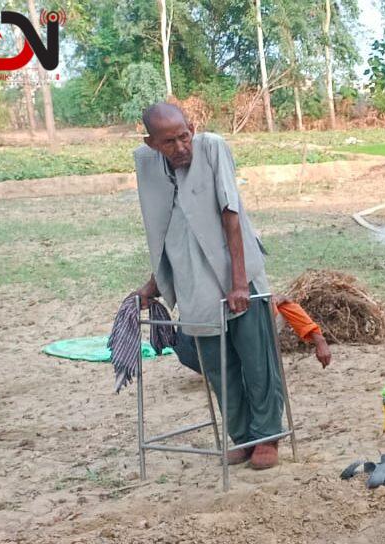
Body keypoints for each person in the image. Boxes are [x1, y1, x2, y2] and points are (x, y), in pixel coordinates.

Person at [130, 103, 286, 470]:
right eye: (169, 142)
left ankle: (267, 437)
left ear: (193, 127)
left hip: (236, 268)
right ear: (151, 143)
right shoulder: (146, 164)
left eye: (185, 136)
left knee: (256, 358)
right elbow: (164, 227)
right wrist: (155, 283)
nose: (181, 147)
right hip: (190, 276)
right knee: (217, 365)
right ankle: (243, 437)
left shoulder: (212, 146)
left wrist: (238, 283)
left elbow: (230, 212)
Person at [172, 297, 332, 374]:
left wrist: (320, 341)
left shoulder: (266, 302)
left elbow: (287, 306)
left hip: (250, 323)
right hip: (207, 330)